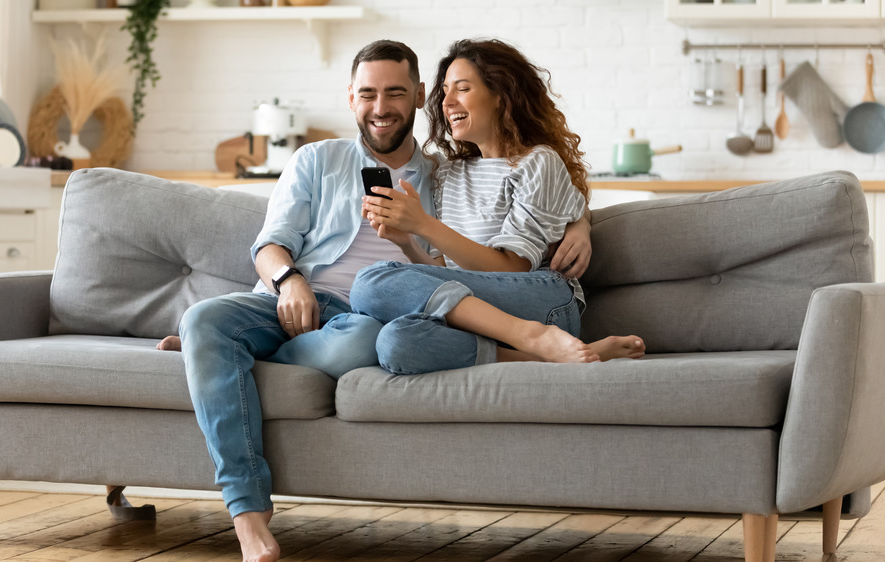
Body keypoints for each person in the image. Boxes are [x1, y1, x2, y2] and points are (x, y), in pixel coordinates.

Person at [177, 39, 592, 562]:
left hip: (365, 315)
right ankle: (248, 516)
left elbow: (530, 188)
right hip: (291, 298)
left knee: (370, 329)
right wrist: (290, 280)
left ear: (418, 97)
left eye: (395, 93)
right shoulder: (316, 160)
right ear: (350, 98)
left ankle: (219, 356)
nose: (380, 107)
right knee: (204, 319)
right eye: (367, 94)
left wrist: (582, 223)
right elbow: (269, 245)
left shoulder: (443, 171)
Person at [350, 38, 644, 376]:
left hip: (540, 301)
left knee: (370, 281)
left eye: (462, 88)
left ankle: (534, 335)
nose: (446, 102)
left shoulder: (537, 163)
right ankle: (547, 354)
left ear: (501, 95)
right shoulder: (448, 173)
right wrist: (407, 242)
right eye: (444, 91)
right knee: (395, 342)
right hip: (478, 309)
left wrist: (424, 225)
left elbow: (513, 268)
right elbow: (444, 273)